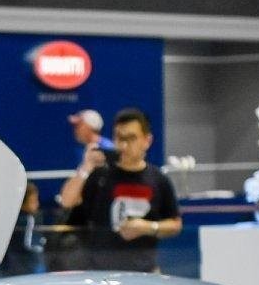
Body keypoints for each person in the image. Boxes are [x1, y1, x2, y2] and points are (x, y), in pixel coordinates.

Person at [58, 107, 181, 272]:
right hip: (101, 272)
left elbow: (175, 224)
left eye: (131, 138)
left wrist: (148, 227)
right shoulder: (100, 174)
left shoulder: (158, 180)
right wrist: (86, 167)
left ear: (147, 141)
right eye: (119, 138)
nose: (124, 145)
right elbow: (67, 201)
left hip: (143, 272)